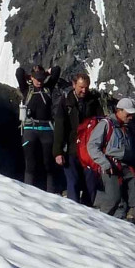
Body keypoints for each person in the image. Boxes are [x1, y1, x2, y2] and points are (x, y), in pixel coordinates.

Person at [87, 97, 135, 222]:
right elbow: (92, 146)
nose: (130, 117)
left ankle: (131, 223)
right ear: (119, 110)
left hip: (128, 166)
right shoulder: (106, 124)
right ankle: (100, 222)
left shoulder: (130, 127)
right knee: (113, 198)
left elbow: (134, 149)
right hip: (111, 166)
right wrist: (105, 164)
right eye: (128, 114)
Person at [52, 73, 105, 206]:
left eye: (86, 87)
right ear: (74, 85)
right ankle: (73, 212)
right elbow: (59, 126)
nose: (84, 90)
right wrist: (57, 151)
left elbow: (102, 124)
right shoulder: (65, 102)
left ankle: (86, 211)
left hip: (89, 150)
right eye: (81, 87)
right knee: (73, 182)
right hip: (71, 149)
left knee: (91, 183)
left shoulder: (93, 102)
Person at [17, 67, 60, 192]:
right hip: (30, 129)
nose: (40, 81)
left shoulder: (48, 88)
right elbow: (19, 72)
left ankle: (50, 193)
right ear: (32, 78)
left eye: (42, 78)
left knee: (48, 164)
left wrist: (45, 73)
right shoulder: (27, 90)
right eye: (37, 78)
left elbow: (57, 70)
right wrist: (30, 76)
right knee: (30, 164)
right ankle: (29, 192)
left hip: (46, 129)